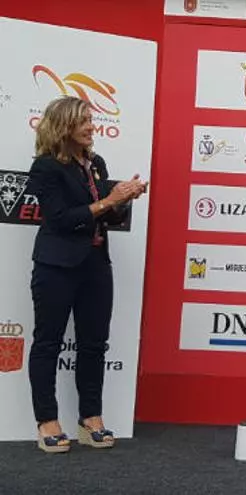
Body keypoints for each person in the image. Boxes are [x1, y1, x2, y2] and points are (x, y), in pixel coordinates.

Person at [26, 96, 148, 453]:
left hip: (95, 264)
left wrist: (124, 199)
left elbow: (105, 216)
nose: (92, 127)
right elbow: (61, 219)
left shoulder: (96, 164)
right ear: (64, 126)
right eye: (84, 121)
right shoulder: (45, 168)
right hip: (56, 266)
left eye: (91, 120)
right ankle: (47, 421)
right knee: (47, 343)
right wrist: (109, 200)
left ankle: (90, 418)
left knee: (94, 343)